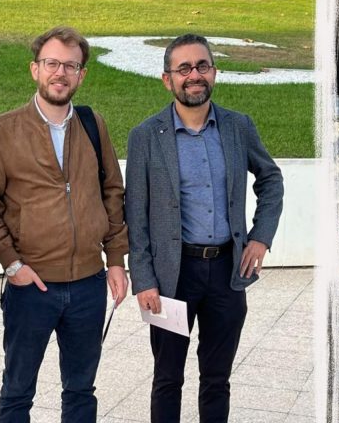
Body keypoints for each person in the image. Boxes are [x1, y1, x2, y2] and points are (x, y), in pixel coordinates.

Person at [125, 33, 284, 422]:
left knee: (217, 379)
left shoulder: (238, 127)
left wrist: (260, 237)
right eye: (183, 68)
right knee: (167, 378)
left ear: (214, 72)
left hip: (227, 273)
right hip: (172, 276)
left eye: (202, 66)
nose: (194, 75)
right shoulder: (145, 136)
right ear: (167, 79)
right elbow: (135, 213)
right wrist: (143, 279)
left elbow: (270, 178)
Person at [0, 26, 128, 422]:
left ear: (82, 75)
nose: (60, 73)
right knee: (17, 391)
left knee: (81, 391)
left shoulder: (93, 124)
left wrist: (115, 260)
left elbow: (112, 192)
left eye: (70, 66)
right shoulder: (1, 131)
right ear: (35, 69)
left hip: (89, 285)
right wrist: (12, 264)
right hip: (31, 286)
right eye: (52, 63)